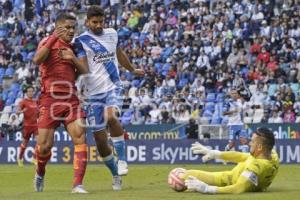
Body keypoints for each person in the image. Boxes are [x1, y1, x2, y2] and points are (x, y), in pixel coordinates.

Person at [73, 5, 144, 191]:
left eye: (101, 22)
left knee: (111, 116)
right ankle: (115, 174)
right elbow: (82, 67)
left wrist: (132, 69)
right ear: (87, 22)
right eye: (94, 22)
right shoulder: (80, 41)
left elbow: (119, 53)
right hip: (92, 94)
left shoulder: (112, 33)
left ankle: (122, 160)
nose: (98, 25)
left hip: (113, 87)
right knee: (100, 141)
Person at [32, 13, 89, 193]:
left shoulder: (75, 47)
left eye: (74, 28)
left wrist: (72, 58)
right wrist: (52, 39)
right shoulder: (46, 42)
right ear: (58, 27)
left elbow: (84, 71)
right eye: (68, 27)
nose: (72, 31)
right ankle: (40, 173)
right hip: (49, 99)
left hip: (71, 98)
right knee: (44, 146)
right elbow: (37, 60)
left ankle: (77, 185)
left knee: (80, 135)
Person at [180, 127, 279, 194]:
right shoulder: (272, 155)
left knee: (182, 176)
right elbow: (241, 156)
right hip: (233, 175)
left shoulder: (255, 167)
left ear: (260, 146)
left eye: (252, 141)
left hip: (227, 180)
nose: (249, 143)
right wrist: (215, 154)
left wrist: (207, 189)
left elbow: (238, 188)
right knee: (183, 175)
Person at [16, 86, 38, 167]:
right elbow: (17, 112)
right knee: (24, 144)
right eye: (29, 91)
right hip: (27, 126)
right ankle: (20, 158)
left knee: (39, 142)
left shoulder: (35, 101)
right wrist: (22, 111)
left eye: (32, 91)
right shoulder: (23, 102)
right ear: (26, 92)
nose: (31, 93)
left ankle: (34, 158)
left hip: (35, 125)